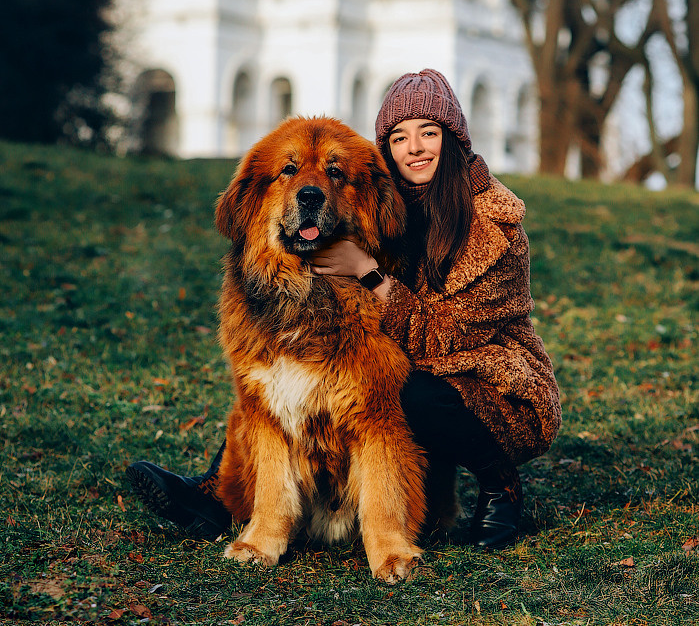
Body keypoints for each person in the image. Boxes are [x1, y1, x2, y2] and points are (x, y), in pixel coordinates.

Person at [127, 69, 561, 550]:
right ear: (387, 148)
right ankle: (218, 498)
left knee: (406, 395)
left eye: (430, 133)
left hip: (481, 374)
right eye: (400, 137)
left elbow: (453, 337)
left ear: (454, 139)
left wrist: (367, 274)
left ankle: (498, 481)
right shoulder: (387, 193)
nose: (415, 147)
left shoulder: (492, 225)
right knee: (258, 404)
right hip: (394, 342)